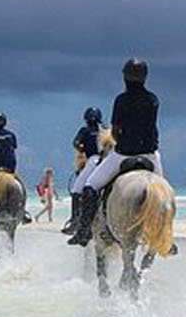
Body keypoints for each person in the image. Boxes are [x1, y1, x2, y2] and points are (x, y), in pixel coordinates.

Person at [69, 58, 162, 246]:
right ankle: (165, 236)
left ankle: (84, 231)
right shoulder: (153, 99)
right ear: (144, 77)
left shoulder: (121, 100)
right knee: (164, 194)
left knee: (90, 187)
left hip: (123, 155)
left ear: (125, 77)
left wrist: (121, 142)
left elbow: (116, 130)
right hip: (151, 155)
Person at [61, 106, 103, 237]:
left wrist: (82, 148)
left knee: (76, 189)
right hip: (107, 160)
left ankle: (75, 221)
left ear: (86, 119)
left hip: (93, 160)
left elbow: (76, 143)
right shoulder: (106, 130)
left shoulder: (84, 130)